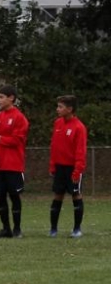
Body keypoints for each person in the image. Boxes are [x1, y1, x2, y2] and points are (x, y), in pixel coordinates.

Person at [0, 85, 29, 238]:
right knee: (0, 196)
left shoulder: (19, 118)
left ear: (11, 98)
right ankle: (6, 229)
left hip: (13, 165)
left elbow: (16, 140)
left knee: (14, 196)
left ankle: (17, 229)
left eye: (1, 97)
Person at [48, 94, 87, 238]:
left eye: (60, 107)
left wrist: (77, 170)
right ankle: (53, 229)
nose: (57, 109)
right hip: (59, 167)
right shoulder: (57, 123)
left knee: (76, 195)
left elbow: (80, 151)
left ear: (70, 109)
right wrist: (52, 165)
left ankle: (77, 229)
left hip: (72, 168)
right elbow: (54, 146)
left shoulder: (79, 127)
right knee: (58, 195)